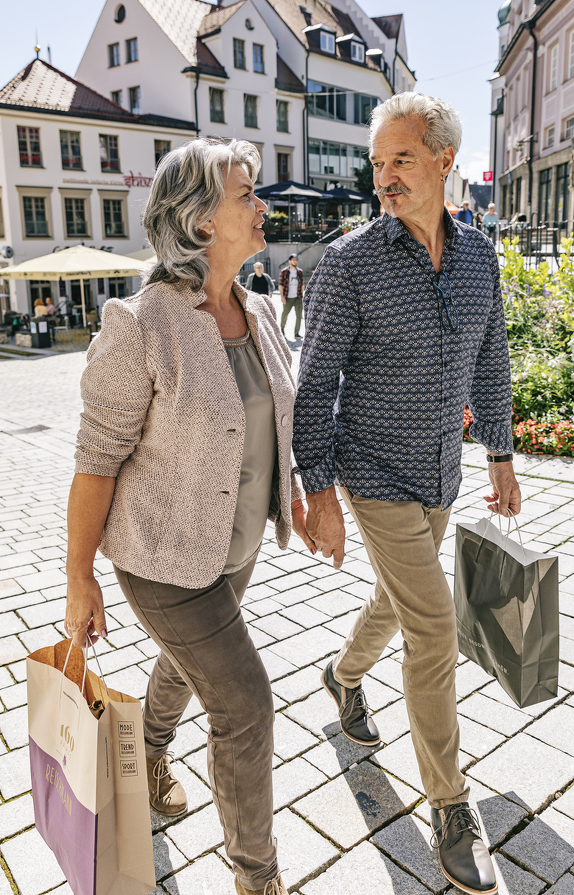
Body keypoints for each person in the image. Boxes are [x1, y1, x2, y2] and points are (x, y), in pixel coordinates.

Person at [65, 137, 314, 895]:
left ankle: (149, 746)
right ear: (202, 219)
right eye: (247, 194)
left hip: (233, 548)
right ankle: (256, 875)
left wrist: (293, 494)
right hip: (161, 557)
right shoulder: (140, 323)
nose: (263, 205)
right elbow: (96, 458)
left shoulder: (261, 309)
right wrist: (80, 578)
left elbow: (271, 420)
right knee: (244, 701)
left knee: (184, 661)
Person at [293, 93, 521, 895]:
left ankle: (342, 677)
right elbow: (314, 382)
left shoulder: (480, 257)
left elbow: (490, 359)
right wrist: (318, 490)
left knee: (397, 603)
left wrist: (501, 452)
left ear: (444, 161)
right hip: (374, 471)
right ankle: (450, 807)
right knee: (433, 627)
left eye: (401, 161)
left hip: (440, 471)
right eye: (378, 163)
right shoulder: (353, 262)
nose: (383, 178)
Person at [279, 254, 304, 338]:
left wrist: (302, 297)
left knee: (299, 316)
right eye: (293, 260)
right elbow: (281, 285)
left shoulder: (300, 272)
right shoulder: (284, 271)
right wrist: (282, 297)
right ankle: (281, 330)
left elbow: (302, 285)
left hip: (298, 298)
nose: (295, 261)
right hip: (287, 297)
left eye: (296, 260)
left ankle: (296, 333)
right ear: (289, 261)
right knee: (285, 314)